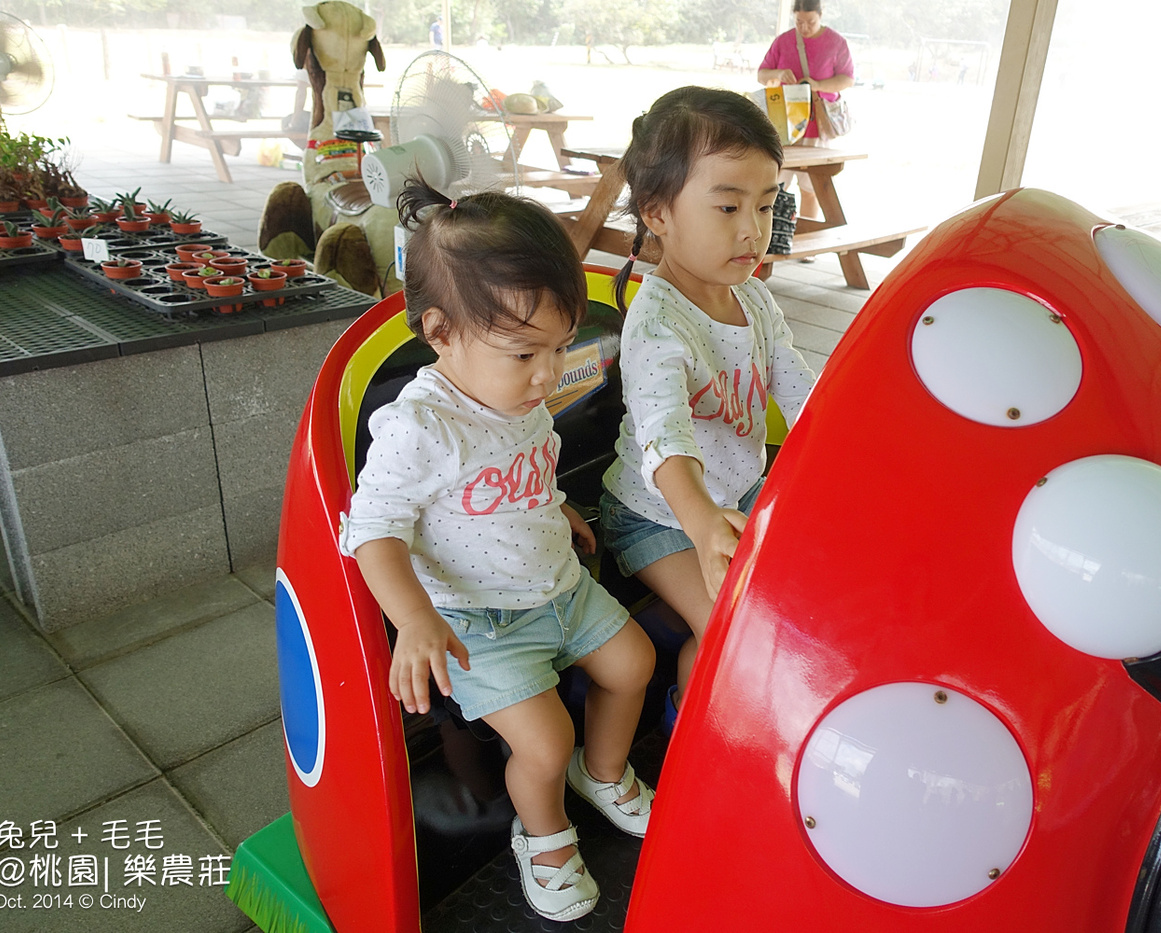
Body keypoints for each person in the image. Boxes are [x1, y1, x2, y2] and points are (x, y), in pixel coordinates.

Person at [340, 182, 655, 923]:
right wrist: (414, 619)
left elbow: (528, 469)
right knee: (544, 741)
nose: (547, 374)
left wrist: (559, 507)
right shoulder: (420, 424)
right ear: (441, 331)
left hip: (558, 585)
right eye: (524, 352)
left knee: (633, 662)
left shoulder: (517, 396)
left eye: (557, 347)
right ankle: (543, 836)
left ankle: (602, 772)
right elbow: (373, 527)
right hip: (477, 621)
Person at [600, 87, 818, 733]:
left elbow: (796, 382)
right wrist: (699, 523)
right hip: (659, 515)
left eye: (766, 204)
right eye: (727, 206)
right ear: (657, 212)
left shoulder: (749, 296)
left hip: (737, 491)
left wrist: (847, 440)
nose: (752, 229)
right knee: (729, 621)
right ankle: (695, 741)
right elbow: (666, 438)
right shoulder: (659, 323)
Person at [757, 0, 854, 224]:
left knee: (811, 186)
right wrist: (779, 74)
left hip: (816, 126)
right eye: (799, 22)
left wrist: (817, 85)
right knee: (775, 184)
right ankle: (773, 237)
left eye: (810, 22)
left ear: (821, 15)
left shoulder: (836, 42)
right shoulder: (784, 41)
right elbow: (762, 75)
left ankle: (807, 241)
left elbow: (847, 78)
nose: (804, 27)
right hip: (783, 125)